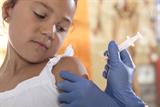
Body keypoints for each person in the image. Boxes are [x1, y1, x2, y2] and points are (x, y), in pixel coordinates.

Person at [0, 0, 145, 107]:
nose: (50, 32)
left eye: (61, 28)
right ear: (7, 10)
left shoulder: (62, 72)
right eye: (40, 15)